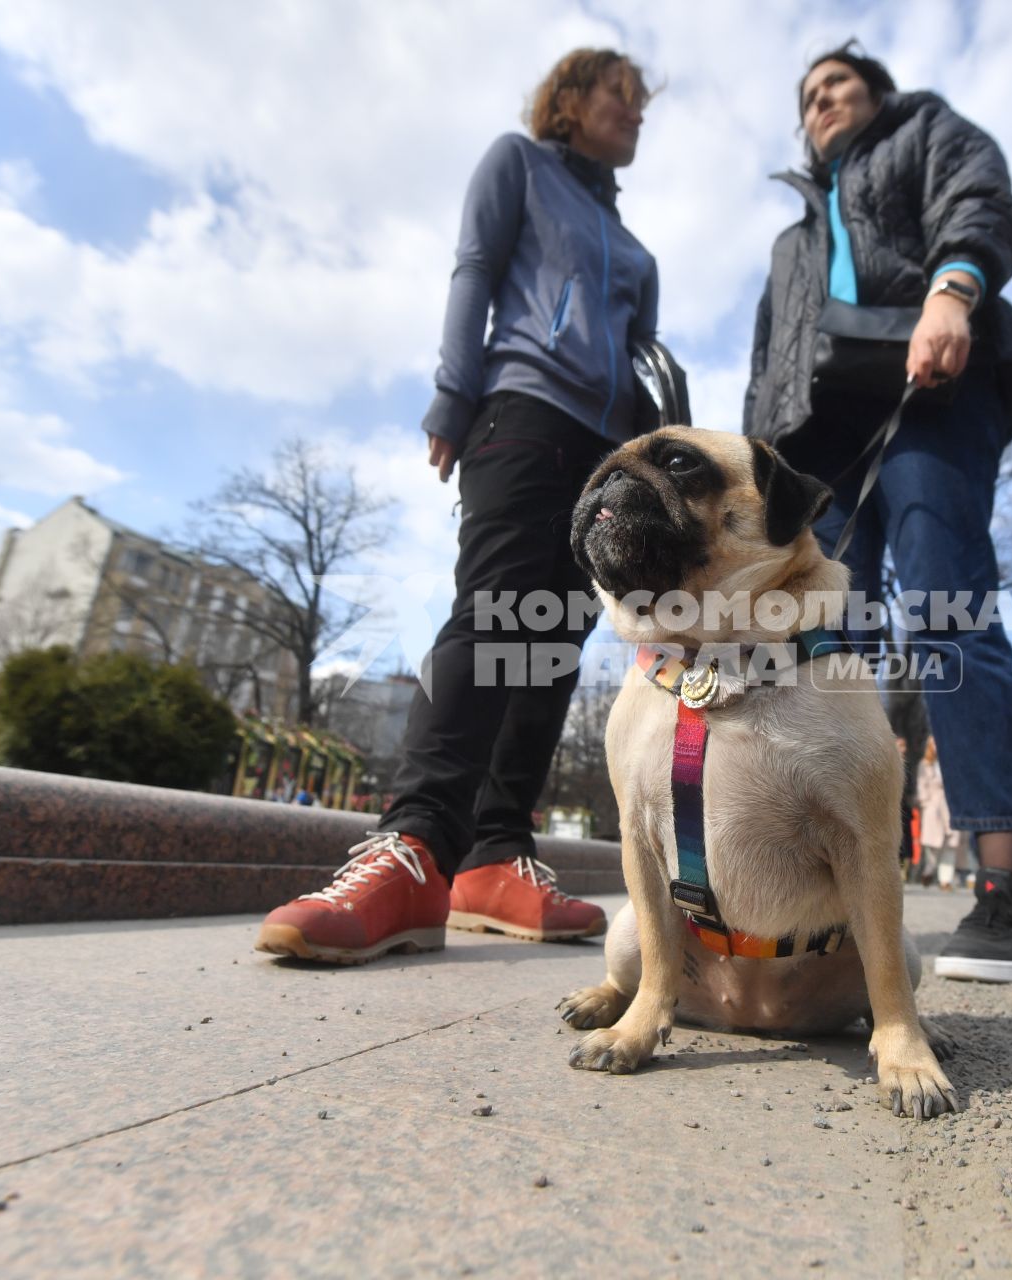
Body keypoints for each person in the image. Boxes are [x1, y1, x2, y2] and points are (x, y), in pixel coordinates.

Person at [258, 49, 659, 962]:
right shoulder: (517, 164)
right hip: (519, 410)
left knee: (554, 640)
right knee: (494, 614)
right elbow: (475, 270)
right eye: (619, 96)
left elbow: (642, 360)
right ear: (568, 100)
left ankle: (495, 859)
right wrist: (454, 391)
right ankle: (414, 846)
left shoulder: (639, 253)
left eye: (641, 104)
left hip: (603, 458)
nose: (635, 114)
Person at [745, 44, 1012, 982]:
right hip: (820, 449)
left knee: (944, 609)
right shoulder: (790, 240)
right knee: (819, 651)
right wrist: (756, 481)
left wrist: (952, 291)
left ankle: (1008, 893)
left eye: (834, 85)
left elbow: (980, 201)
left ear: (874, 92)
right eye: (805, 96)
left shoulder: (925, 131)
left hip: (929, 396)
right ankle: (830, 883)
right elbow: (768, 365)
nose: (819, 103)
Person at [916, 737, 967, 891]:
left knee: (950, 844)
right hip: (933, 808)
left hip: (950, 807)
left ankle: (945, 880)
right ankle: (929, 870)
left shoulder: (952, 763)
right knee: (932, 845)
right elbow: (921, 786)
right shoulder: (925, 764)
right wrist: (926, 803)